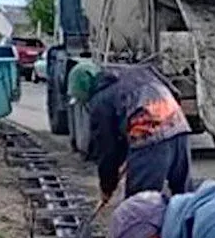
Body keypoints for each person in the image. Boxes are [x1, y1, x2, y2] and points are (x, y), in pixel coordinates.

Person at [67, 61, 192, 200]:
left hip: (149, 138)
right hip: (178, 126)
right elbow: (174, 92)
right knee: (185, 198)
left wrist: (107, 187)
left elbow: (107, 150)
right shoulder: (138, 71)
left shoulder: (100, 101)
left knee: (139, 205)